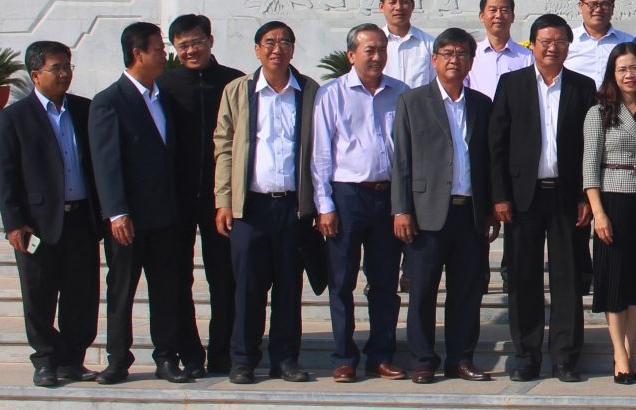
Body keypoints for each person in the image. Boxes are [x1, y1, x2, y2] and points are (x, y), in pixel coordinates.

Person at [90, 21, 205, 384]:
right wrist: (117, 212)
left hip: (165, 217)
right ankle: (118, 359)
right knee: (121, 290)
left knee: (167, 290)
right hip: (129, 221)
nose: (164, 55)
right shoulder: (110, 101)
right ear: (138, 53)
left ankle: (166, 357)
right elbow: (106, 163)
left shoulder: (164, 98)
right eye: (158, 48)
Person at [488, 13, 598, 383]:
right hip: (523, 198)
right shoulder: (512, 84)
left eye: (560, 42)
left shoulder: (584, 87)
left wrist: (588, 195)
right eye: (545, 41)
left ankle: (566, 357)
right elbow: (497, 145)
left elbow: (590, 147)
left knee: (568, 279)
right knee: (524, 278)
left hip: (568, 197)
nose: (553, 48)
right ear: (531, 45)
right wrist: (500, 196)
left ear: (569, 46)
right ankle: (527, 355)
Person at [213, 21, 318, 384]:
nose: (277, 49)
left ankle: (285, 358)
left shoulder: (309, 91)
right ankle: (243, 359)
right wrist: (223, 200)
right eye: (269, 43)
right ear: (257, 49)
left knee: (289, 287)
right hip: (249, 208)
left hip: (293, 207)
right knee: (248, 289)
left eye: (285, 42)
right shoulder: (239, 91)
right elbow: (223, 146)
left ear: (293, 48)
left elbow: (319, 151)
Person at [392, 28, 497, 383]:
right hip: (425, 213)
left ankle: (461, 358)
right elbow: (401, 161)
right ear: (434, 59)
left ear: (471, 60)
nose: (455, 60)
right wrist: (401, 209)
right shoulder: (412, 101)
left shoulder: (482, 104)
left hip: (469, 213)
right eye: (448, 53)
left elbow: (488, 160)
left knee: (466, 291)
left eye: (462, 54)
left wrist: (491, 208)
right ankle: (423, 359)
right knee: (422, 291)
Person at [0, 41, 100, 388]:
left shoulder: (85, 110)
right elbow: (5, 173)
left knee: (81, 296)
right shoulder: (14, 118)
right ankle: (44, 360)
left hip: (80, 220)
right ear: (35, 74)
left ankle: (73, 360)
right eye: (57, 68)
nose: (65, 74)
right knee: (39, 295)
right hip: (37, 223)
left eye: (68, 66)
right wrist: (13, 222)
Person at [311, 23, 408, 382]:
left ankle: (381, 354)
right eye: (369, 49)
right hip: (347, 196)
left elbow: (407, 152)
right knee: (341, 282)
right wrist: (325, 204)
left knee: (384, 282)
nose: (377, 56)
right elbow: (321, 154)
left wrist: (404, 204)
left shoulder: (400, 93)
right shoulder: (332, 94)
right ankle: (344, 356)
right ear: (351, 55)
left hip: (387, 197)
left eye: (382, 49)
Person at [158, 14, 244, 376]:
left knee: (225, 277)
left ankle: (223, 351)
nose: (191, 50)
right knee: (178, 279)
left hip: (221, 197)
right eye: (182, 45)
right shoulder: (164, 84)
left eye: (196, 42)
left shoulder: (235, 82)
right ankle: (189, 353)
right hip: (176, 197)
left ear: (211, 39)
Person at [583, 42, 636, 385]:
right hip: (613, 200)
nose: (628, 75)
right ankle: (618, 356)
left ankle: (630, 352)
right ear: (612, 74)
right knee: (615, 280)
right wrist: (598, 213)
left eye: (634, 68)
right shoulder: (599, 112)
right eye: (621, 69)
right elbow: (589, 167)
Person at [467, 0, 531, 100]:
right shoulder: (471, 54)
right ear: (482, 16)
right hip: (479, 116)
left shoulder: (527, 56)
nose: (498, 15)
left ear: (512, 17)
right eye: (493, 10)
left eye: (504, 10)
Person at [569, 0, 631, 84]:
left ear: (612, 8)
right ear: (580, 6)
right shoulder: (568, 41)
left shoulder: (628, 42)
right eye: (592, 4)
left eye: (604, 4)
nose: (598, 9)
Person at [380, 0, 435, 88]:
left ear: (413, 5)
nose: (399, 7)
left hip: (418, 105)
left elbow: (436, 83)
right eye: (392, 2)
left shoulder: (430, 44)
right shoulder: (375, 43)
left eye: (404, 2)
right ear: (381, 7)